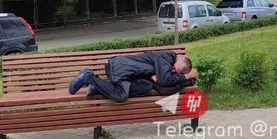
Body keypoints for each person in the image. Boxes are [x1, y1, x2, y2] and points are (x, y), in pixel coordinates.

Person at [68, 50, 198, 103]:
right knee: (121, 96)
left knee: (146, 86)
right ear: (177, 58)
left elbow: (164, 88)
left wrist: (187, 81)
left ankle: (97, 88)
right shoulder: (166, 57)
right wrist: (186, 78)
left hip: (131, 75)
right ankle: (88, 77)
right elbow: (164, 81)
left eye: (177, 73)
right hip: (122, 68)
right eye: (174, 68)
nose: (172, 72)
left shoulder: (168, 69)